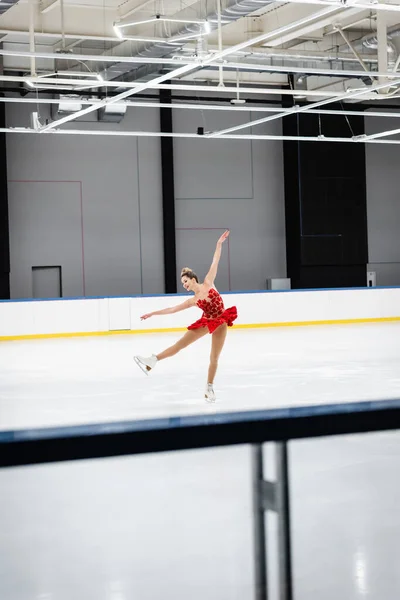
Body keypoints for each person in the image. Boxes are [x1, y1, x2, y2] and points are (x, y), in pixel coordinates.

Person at [134, 230, 237, 402]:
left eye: (185, 281)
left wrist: (219, 244)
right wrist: (152, 313)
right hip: (206, 322)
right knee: (180, 344)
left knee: (214, 358)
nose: (184, 285)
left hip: (220, 322)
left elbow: (215, 261)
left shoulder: (209, 282)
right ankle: (153, 360)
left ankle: (209, 388)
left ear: (192, 278)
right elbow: (172, 309)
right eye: (183, 284)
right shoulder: (193, 301)